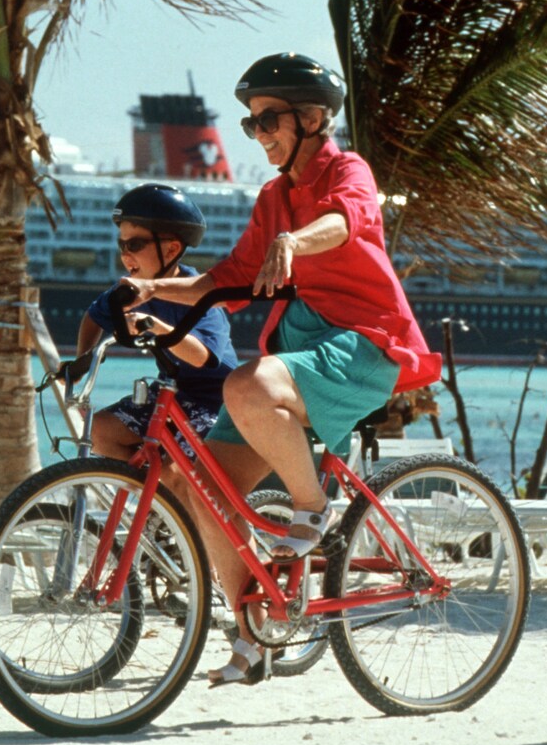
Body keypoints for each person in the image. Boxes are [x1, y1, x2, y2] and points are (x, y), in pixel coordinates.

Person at [116, 52, 442, 687]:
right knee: (202, 490)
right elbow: (225, 281)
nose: (260, 134)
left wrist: (294, 241)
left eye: (269, 120)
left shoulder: (348, 169)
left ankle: (312, 506)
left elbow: (346, 223)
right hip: (303, 347)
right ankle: (257, 633)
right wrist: (151, 287)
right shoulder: (274, 195)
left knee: (247, 380)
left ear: (313, 118)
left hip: (363, 342)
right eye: (251, 124)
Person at [75, 183, 238, 463]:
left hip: (217, 402)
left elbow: (201, 357)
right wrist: (82, 361)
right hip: (171, 391)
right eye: (121, 244)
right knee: (98, 430)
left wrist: (153, 325)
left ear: (172, 249)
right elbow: (93, 317)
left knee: (180, 473)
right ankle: (158, 499)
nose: (125, 254)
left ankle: (166, 492)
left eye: (135, 245)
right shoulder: (130, 291)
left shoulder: (198, 295)